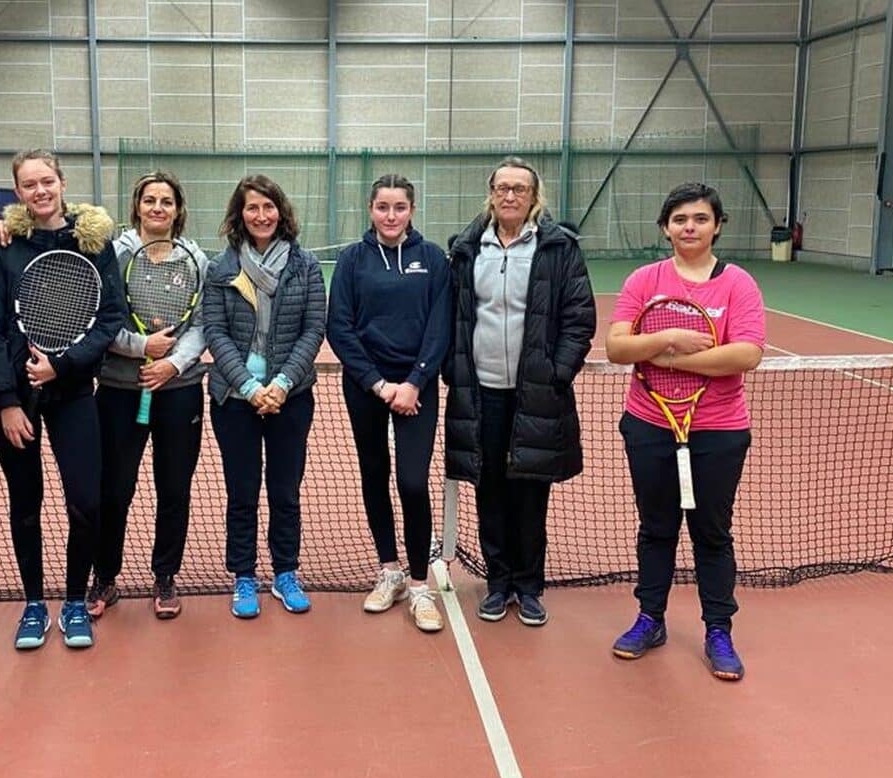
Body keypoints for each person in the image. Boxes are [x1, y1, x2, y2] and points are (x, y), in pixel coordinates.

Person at [605, 182, 765, 681]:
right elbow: (616, 347)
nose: (689, 227)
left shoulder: (738, 284)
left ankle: (718, 629)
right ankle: (650, 619)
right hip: (650, 423)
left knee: (711, 533)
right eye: (679, 219)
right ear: (665, 228)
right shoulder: (644, 280)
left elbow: (746, 354)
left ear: (717, 225)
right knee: (656, 527)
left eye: (699, 219)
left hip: (718, 430)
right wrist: (670, 337)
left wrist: (665, 356)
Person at [0, 149, 125, 651]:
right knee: (26, 505)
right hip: (16, 402)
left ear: (62, 183)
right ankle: (35, 603)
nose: (39, 191)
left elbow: (109, 319)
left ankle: (76, 602)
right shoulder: (5, 245)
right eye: (28, 184)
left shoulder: (94, 245)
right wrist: (5, 400)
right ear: (17, 193)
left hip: (74, 393)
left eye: (47, 181)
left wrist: (62, 365)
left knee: (86, 505)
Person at [443, 156, 597, 626]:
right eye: (503, 188)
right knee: (489, 492)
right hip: (481, 392)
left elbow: (579, 316)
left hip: (535, 395)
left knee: (531, 495)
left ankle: (529, 587)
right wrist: (455, 369)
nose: (511, 196)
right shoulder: (467, 249)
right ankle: (498, 583)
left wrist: (557, 372)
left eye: (520, 189)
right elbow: (451, 314)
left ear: (534, 197)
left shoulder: (558, 248)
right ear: (491, 193)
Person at [327, 174, 451, 632]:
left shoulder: (433, 259)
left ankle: (420, 585)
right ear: (370, 209)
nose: (391, 215)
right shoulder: (352, 260)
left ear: (412, 210)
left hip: (417, 388)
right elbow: (339, 327)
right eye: (383, 207)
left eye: (399, 207)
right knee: (374, 475)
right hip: (366, 388)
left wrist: (415, 382)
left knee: (413, 483)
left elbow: (441, 326)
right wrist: (379, 385)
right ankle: (390, 570)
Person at [85, 171, 211, 620]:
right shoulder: (112, 256)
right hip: (120, 391)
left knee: (174, 488)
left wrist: (172, 364)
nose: (158, 208)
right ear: (137, 206)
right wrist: (141, 348)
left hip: (179, 393)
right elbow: (99, 321)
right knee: (114, 489)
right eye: (150, 200)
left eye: (167, 201)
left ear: (178, 210)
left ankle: (165, 576)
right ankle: (105, 577)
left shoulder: (195, 259)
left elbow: (201, 325)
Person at [202, 175, 326, 618]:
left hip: (290, 397)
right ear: (240, 215)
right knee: (242, 491)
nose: (261, 216)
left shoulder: (305, 265)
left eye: (268, 207)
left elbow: (314, 328)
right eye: (252, 208)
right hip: (235, 400)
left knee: (285, 491)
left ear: (281, 211)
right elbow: (215, 332)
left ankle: (286, 572)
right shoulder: (221, 268)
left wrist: (282, 384)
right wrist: (251, 387)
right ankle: (243, 577)